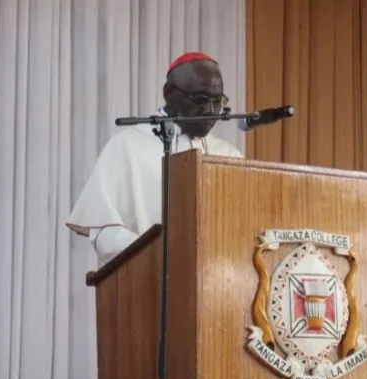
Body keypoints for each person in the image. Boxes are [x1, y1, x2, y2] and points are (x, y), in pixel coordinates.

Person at [67, 52, 243, 265]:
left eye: (218, 101)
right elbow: (104, 232)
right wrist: (160, 255)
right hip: (148, 276)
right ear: (169, 93)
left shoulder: (229, 156)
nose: (211, 110)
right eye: (200, 99)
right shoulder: (127, 146)